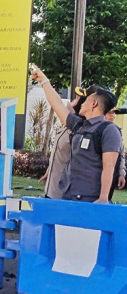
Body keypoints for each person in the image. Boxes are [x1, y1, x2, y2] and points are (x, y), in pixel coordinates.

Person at [31, 64, 121, 203]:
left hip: (90, 200)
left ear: (94, 104)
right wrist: (43, 81)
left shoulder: (108, 130)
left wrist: (103, 197)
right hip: (68, 195)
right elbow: (57, 105)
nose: (82, 102)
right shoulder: (79, 125)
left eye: (87, 99)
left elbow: (109, 166)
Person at [39, 88, 88, 199]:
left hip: (63, 193)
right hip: (51, 188)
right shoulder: (67, 126)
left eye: (76, 99)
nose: (71, 101)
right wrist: (50, 170)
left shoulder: (78, 130)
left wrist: (43, 81)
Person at [105, 107, 126, 201]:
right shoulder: (93, 129)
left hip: (112, 174)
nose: (113, 115)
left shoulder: (117, 130)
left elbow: (121, 153)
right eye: (110, 112)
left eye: (114, 113)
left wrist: (121, 173)